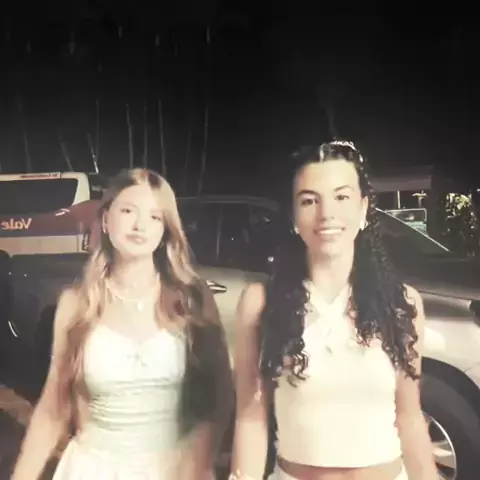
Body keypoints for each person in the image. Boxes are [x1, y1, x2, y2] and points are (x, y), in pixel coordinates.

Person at [230, 141, 437, 480]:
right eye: (309, 200)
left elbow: (410, 417)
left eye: (341, 197)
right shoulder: (261, 303)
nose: (326, 213)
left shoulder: (402, 304)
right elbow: (251, 418)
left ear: (363, 207)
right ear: (294, 216)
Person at [12, 168, 233, 480]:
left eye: (155, 217)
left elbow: (219, 396)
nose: (140, 225)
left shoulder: (192, 299)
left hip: (176, 471)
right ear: (106, 219)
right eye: (128, 211)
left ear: (165, 230)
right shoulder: (76, 304)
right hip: (93, 469)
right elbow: (53, 409)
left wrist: (198, 462)